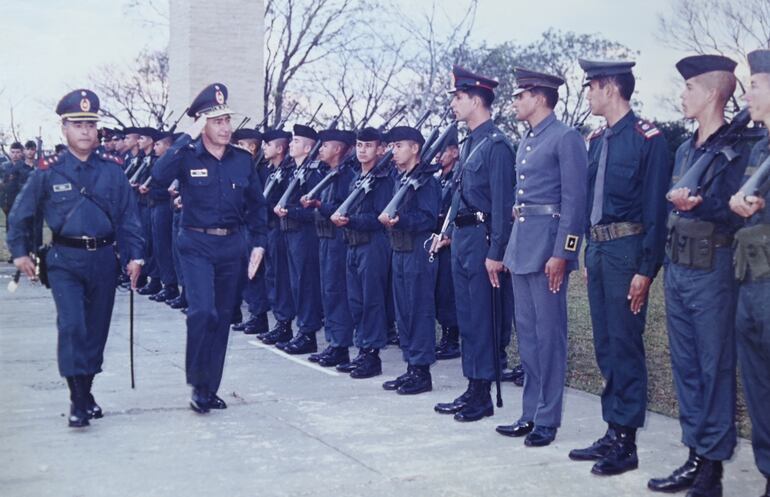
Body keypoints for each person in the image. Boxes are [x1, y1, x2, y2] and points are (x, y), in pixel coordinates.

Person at [6, 89, 144, 428]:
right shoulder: (48, 171)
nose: (85, 131)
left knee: (95, 331)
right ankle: (77, 399)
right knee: (72, 326)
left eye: (90, 125)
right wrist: (21, 252)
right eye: (77, 124)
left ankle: (86, 388)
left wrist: (135, 256)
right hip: (65, 260)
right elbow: (21, 214)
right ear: (64, 129)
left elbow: (129, 217)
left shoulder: (112, 170)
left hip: (103, 261)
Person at [647, 55, 750, 497]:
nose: (682, 95)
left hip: (713, 269)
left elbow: (739, 211)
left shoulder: (743, 146)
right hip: (679, 266)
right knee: (686, 367)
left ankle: (712, 468)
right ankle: (694, 455)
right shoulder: (687, 149)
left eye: (689, 88)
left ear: (711, 93)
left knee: (714, 367)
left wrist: (700, 205)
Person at [569, 59, 671, 476]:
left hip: (629, 251)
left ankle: (626, 442)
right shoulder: (596, 139)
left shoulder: (649, 139)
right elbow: (591, 203)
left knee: (626, 343)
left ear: (610, 88)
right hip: (599, 251)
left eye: (591, 86)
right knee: (606, 344)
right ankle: (613, 429)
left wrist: (645, 270)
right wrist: (588, 252)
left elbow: (655, 211)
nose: (588, 94)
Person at [152, 83, 268, 414]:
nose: (226, 127)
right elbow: (158, 177)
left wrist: (259, 242)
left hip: (232, 245)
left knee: (222, 318)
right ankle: (197, 380)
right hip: (196, 243)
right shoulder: (186, 155)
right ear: (202, 124)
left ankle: (208, 388)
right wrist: (185, 137)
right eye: (217, 121)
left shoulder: (242, 160)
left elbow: (257, 205)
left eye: (227, 120)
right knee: (202, 312)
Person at [497, 68, 587, 447]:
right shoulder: (528, 139)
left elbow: (574, 201)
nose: (515, 101)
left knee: (550, 337)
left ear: (539, 97)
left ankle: (548, 419)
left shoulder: (565, 138)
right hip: (523, 244)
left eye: (520, 95)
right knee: (529, 336)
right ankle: (529, 413)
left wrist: (562, 254)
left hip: (549, 248)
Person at [433, 65, 515, 422]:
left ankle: (482, 393)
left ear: (476, 100)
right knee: (466, 316)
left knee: (482, 317)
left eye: (459, 97)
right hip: (463, 238)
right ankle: (472, 386)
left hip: (483, 241)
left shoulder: (496, 145)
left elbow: (501, 205)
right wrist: (447, 229)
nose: (454, 103)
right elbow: (458, 195)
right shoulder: (470, 143)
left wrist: (497, 253)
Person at [729, 48, 770, 497]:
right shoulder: (758, 148)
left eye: (755, 85)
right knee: (758, 388)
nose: (747, 93)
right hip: (752, 282)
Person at [379, 126, 440, 394]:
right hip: (400, 249)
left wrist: (400, 220)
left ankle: (422, 371)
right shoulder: (399, 178)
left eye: (399, 145)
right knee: (403, 310)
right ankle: (411, 366)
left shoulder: (427, 180)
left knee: (419, 309)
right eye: (393, 146)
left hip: (418, 250)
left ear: (415, 148)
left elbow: (428, 218)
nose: (394, 151)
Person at [331, 127, 394, 378]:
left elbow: (379, 218)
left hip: (372, 245)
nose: (362, 150)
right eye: (358, 145)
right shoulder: (356, 178)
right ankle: (363, 349)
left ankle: (372, 355)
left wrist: (350, 221)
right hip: (353, 244)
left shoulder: (385, 180)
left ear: (380, 149)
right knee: (356, 302)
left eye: (368, 146)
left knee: (372, 301)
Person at [302, 129, 357, 367]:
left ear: (338, 149)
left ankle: (340, 346)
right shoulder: (327, 174)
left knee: (337, 293)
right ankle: (333, 342)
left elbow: (341, 209)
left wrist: (318, 205)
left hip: (337, 239)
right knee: (327, 292)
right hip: (324, 238)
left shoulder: (346, 176)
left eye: (325, 146)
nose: (320, 149)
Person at [273, 124, 324, 354]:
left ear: (307, 147)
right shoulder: (292, 171)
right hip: (289, 233)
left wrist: (290, 212)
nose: (290, 145)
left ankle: (307, 333)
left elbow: (314, 212)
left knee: (305, 284)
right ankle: (300, 329)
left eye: (295, 141)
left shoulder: (313, 174)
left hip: (305, 235)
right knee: (294, 283)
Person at [231, 128, 271, 335]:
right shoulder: (246, 167)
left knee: (255, 273)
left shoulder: (261, 170)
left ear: (251, 147)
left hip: (256, 228)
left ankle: (260, 316)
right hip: (244, 227)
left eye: (239, 145)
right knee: (247, 273)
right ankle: (254, 314)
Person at [259, 128, 297, 345]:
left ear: (280, 148)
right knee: (272, 277)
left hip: (280, 230)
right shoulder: (271, 170)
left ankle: (284, 324)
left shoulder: (288, 173)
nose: (265, 148)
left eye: (269, 144)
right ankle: (279, 322)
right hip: (269, 229)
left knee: (282, 279)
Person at [433, 127, 461, 360]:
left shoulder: (456, 178)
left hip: (451, 238)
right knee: (439, 290)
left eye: (443, 152)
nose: (438, 156)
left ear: (454, 152)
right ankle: (444, 334)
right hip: (436, 238)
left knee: (448, 291)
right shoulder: (437, 178)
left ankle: (451, 338)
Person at [144, 129, 180, 303]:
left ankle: (170, 285)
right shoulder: (158, 161)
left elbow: (168, 189)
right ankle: (165, 282)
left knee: (165, 247)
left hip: (165, 206)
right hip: (155, 205)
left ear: (168, 146)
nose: (155, 147)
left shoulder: (171, 164)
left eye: (158, 144)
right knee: (158, 246)